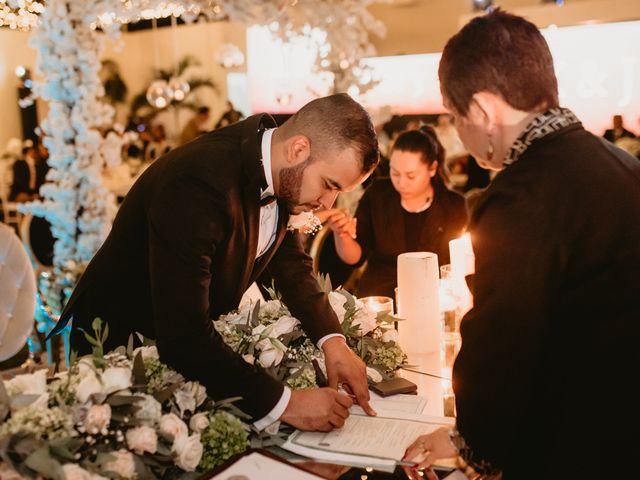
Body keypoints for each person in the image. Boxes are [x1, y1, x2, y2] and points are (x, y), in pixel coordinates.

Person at [49, 93, 379, 433]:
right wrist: (288, 403)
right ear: (298, 149)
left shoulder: (280, 173)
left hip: (185, 355)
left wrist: (333, 342)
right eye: (329, 185)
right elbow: (184, 336)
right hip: (120, 353)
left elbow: (290, 265)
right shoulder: (198, 181)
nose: (328, 203)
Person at [404, 10, 640, 479]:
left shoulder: (518, 196)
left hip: (575, 445)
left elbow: (502, 343)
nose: (460, 134)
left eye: (456, 117)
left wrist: (469, 443)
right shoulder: (622, 167)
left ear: (484, 111)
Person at [327, 127, 467, 299]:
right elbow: (355, 258)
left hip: (436, 296)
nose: (401, 183)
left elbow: (460, 263)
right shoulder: (378, 195)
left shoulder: (452, 205)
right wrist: (342, 235)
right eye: (395, 173)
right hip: (382, 297)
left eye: (411, 176)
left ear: (432, 168)